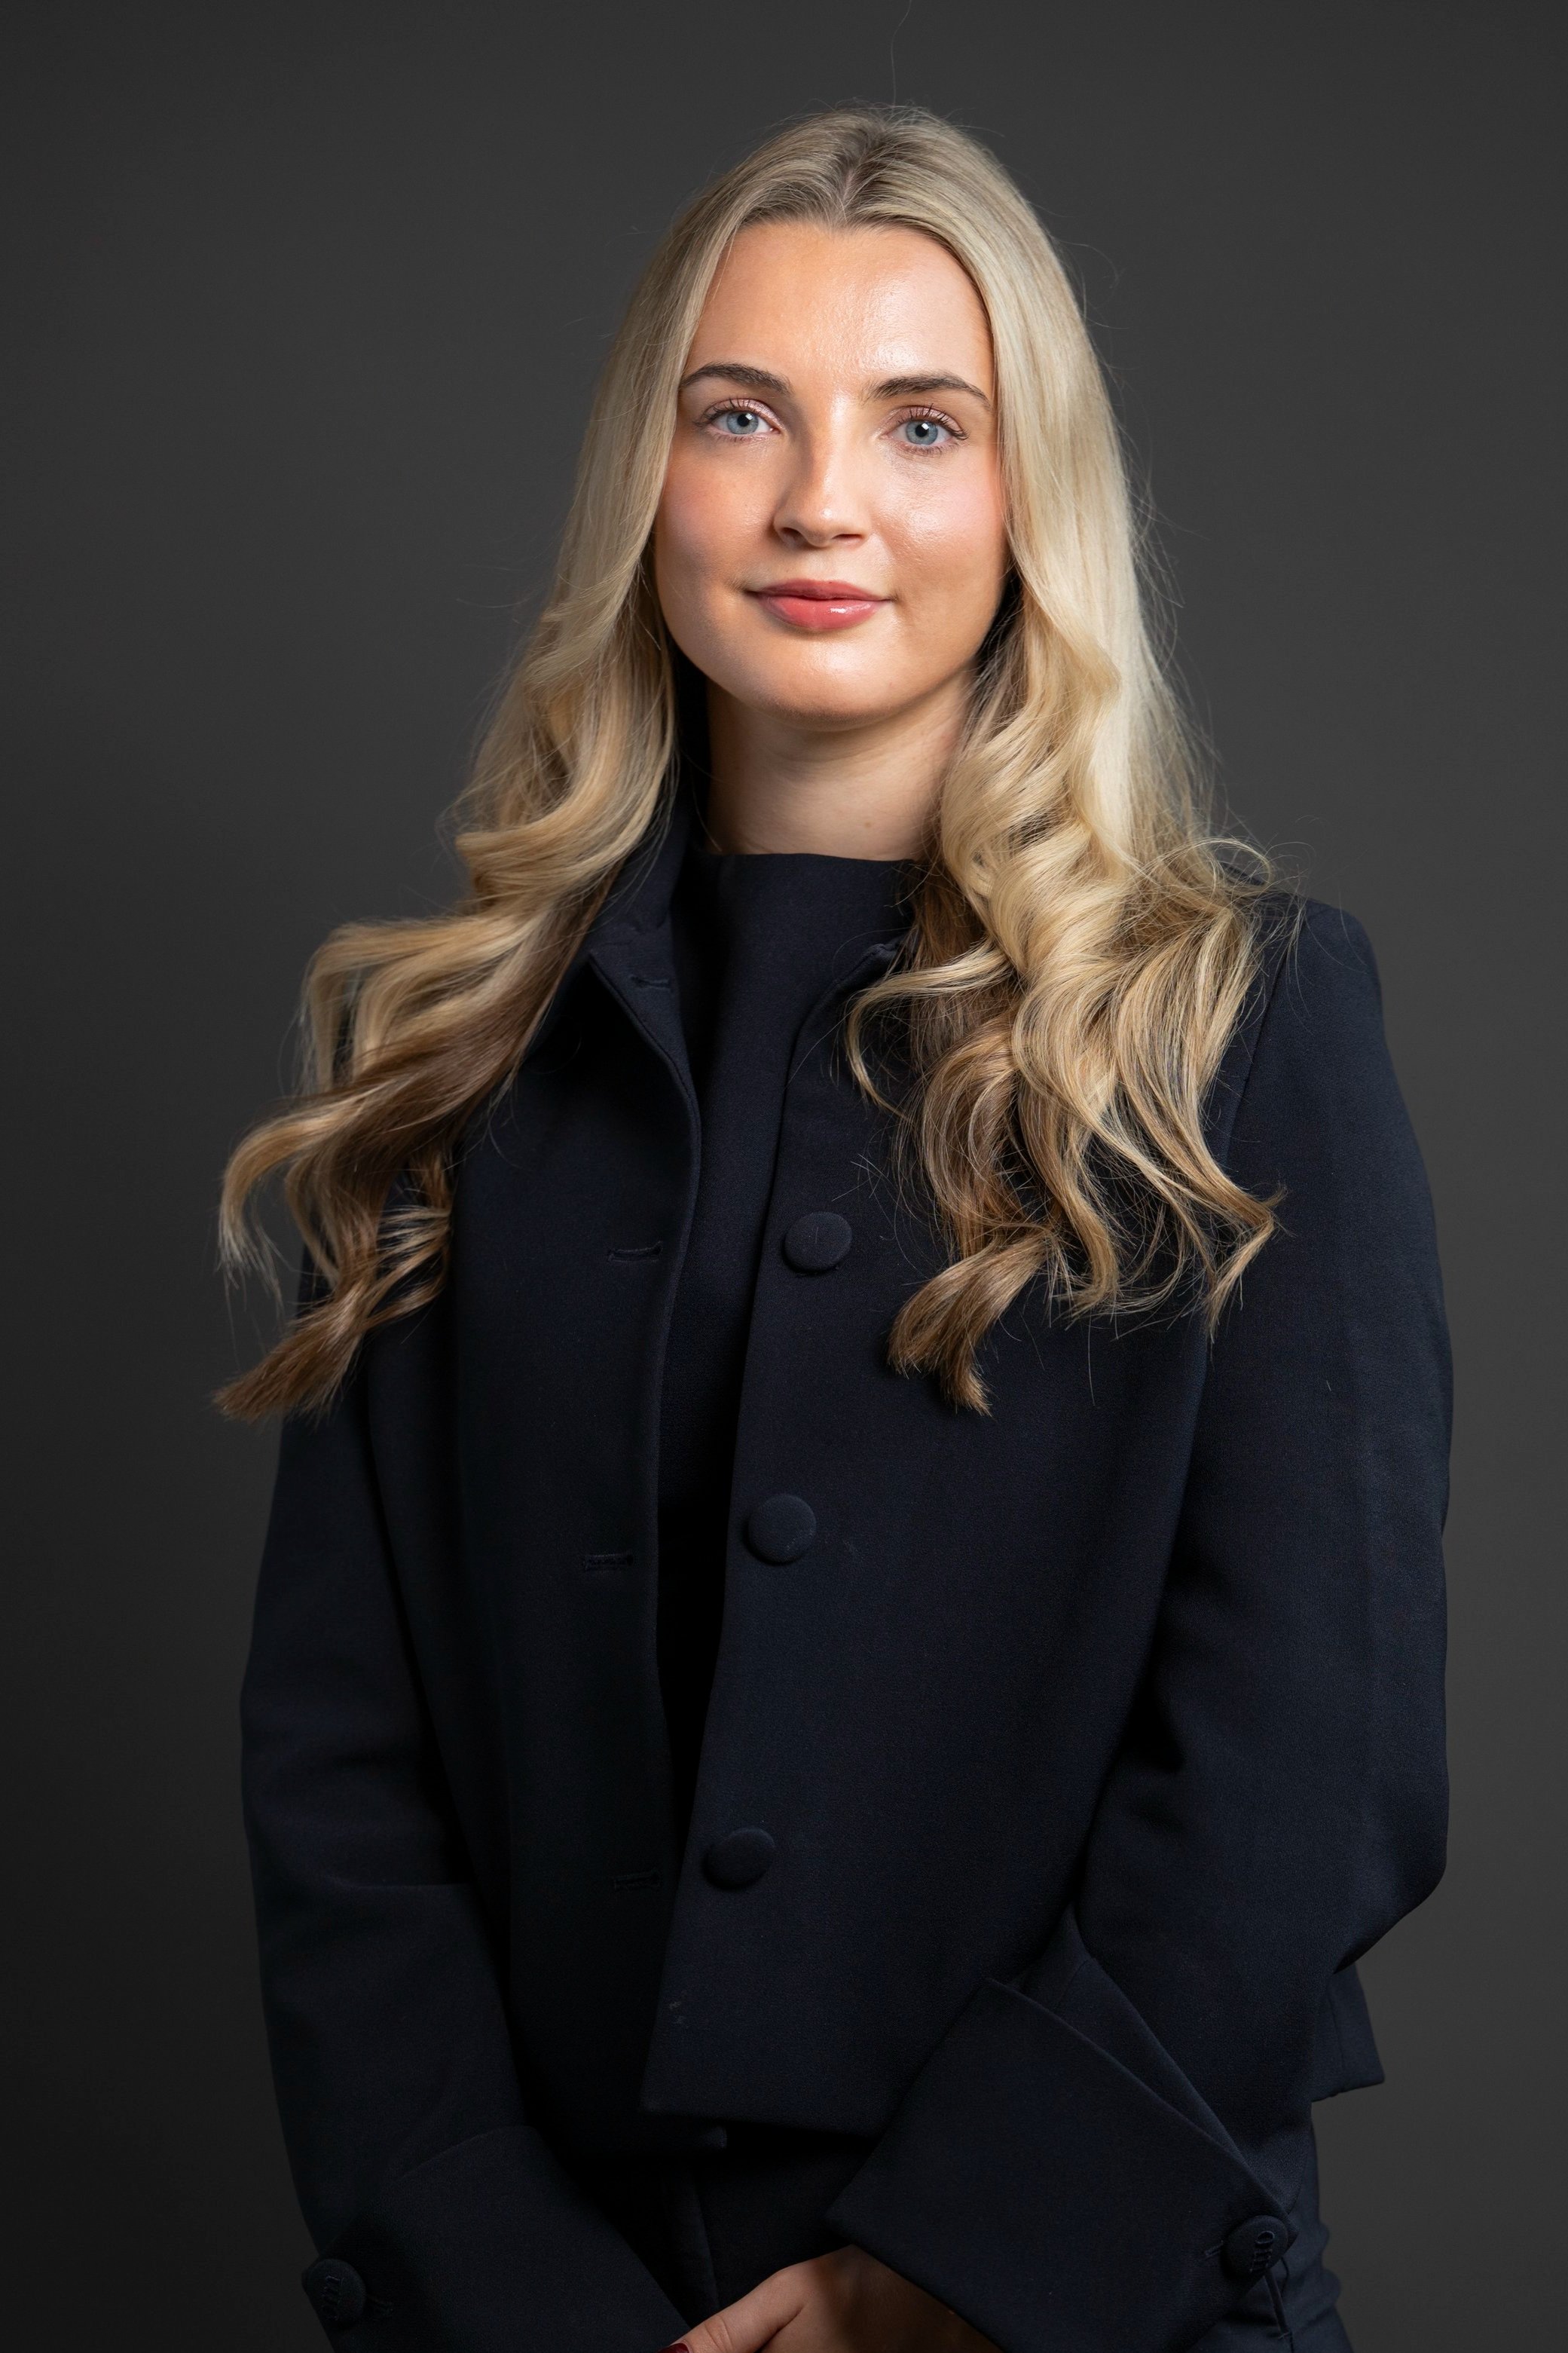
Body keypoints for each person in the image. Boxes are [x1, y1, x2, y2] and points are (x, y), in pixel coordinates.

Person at [220, 106, 1449, 2353]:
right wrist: (511, 2285)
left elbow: (1309, 1758)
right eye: (738, 416)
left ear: (1026, 495)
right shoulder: (448, 1062)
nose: (819, 502)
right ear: (647, 483)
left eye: (921, 422)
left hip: (1081, 2300)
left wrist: (940, 2270)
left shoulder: (1239, 1023)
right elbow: (342, 1771)